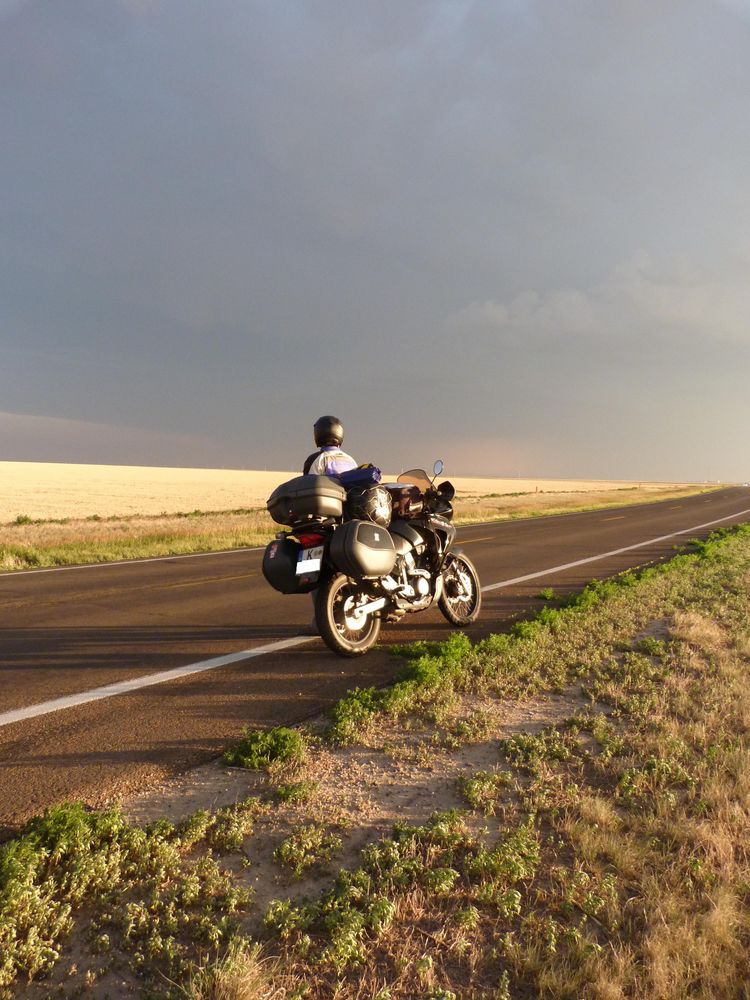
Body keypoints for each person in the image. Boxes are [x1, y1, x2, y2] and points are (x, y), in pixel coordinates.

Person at [298, 415, 357, 637]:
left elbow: (308, 489)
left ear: (318, 435)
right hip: (347, 522)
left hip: (324, 522)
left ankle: (319, 621)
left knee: (310, 567)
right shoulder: (350, 459)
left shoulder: (316, 460)